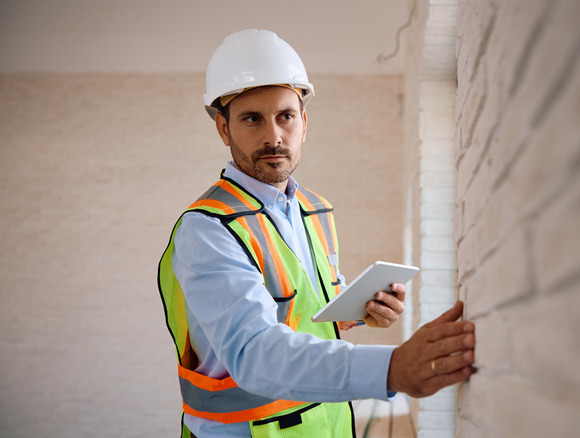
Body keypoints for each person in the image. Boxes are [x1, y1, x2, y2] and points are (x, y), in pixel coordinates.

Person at [158, 28, 476, 438]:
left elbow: (302, 308)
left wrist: (357, 311)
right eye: (252, 119)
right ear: (223, 128)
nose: (273, 136)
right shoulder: (208, 229)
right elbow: (254, 353)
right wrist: (392, 368)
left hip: (326, 424)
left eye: (285, 116)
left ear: (303, 123)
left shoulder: (313, 209)